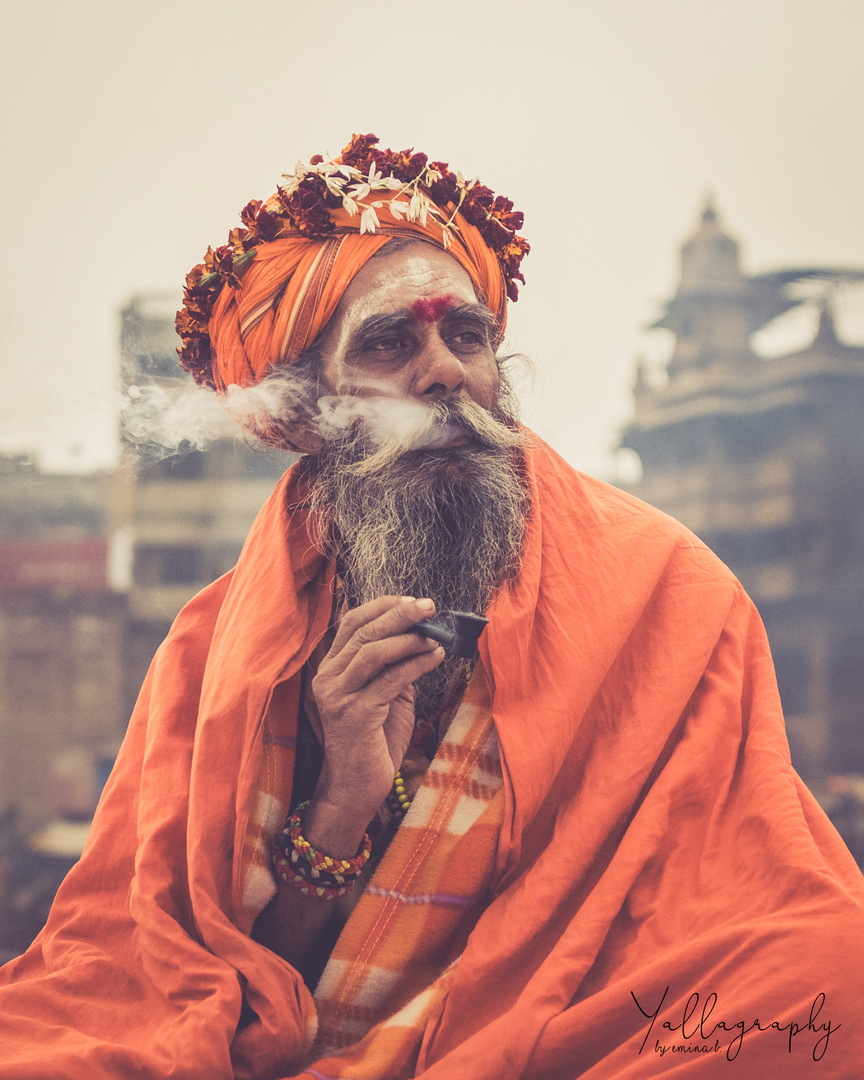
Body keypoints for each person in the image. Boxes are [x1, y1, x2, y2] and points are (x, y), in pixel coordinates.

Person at [0, 133, 862, 1079]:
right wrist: (342, 805)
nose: (443, 371)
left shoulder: (670, 591)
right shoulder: (212, 653)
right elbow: (202, 986)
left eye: (466, 334)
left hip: (578, 1034)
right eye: (387, 341)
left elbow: (746, 906)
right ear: (306, 407)